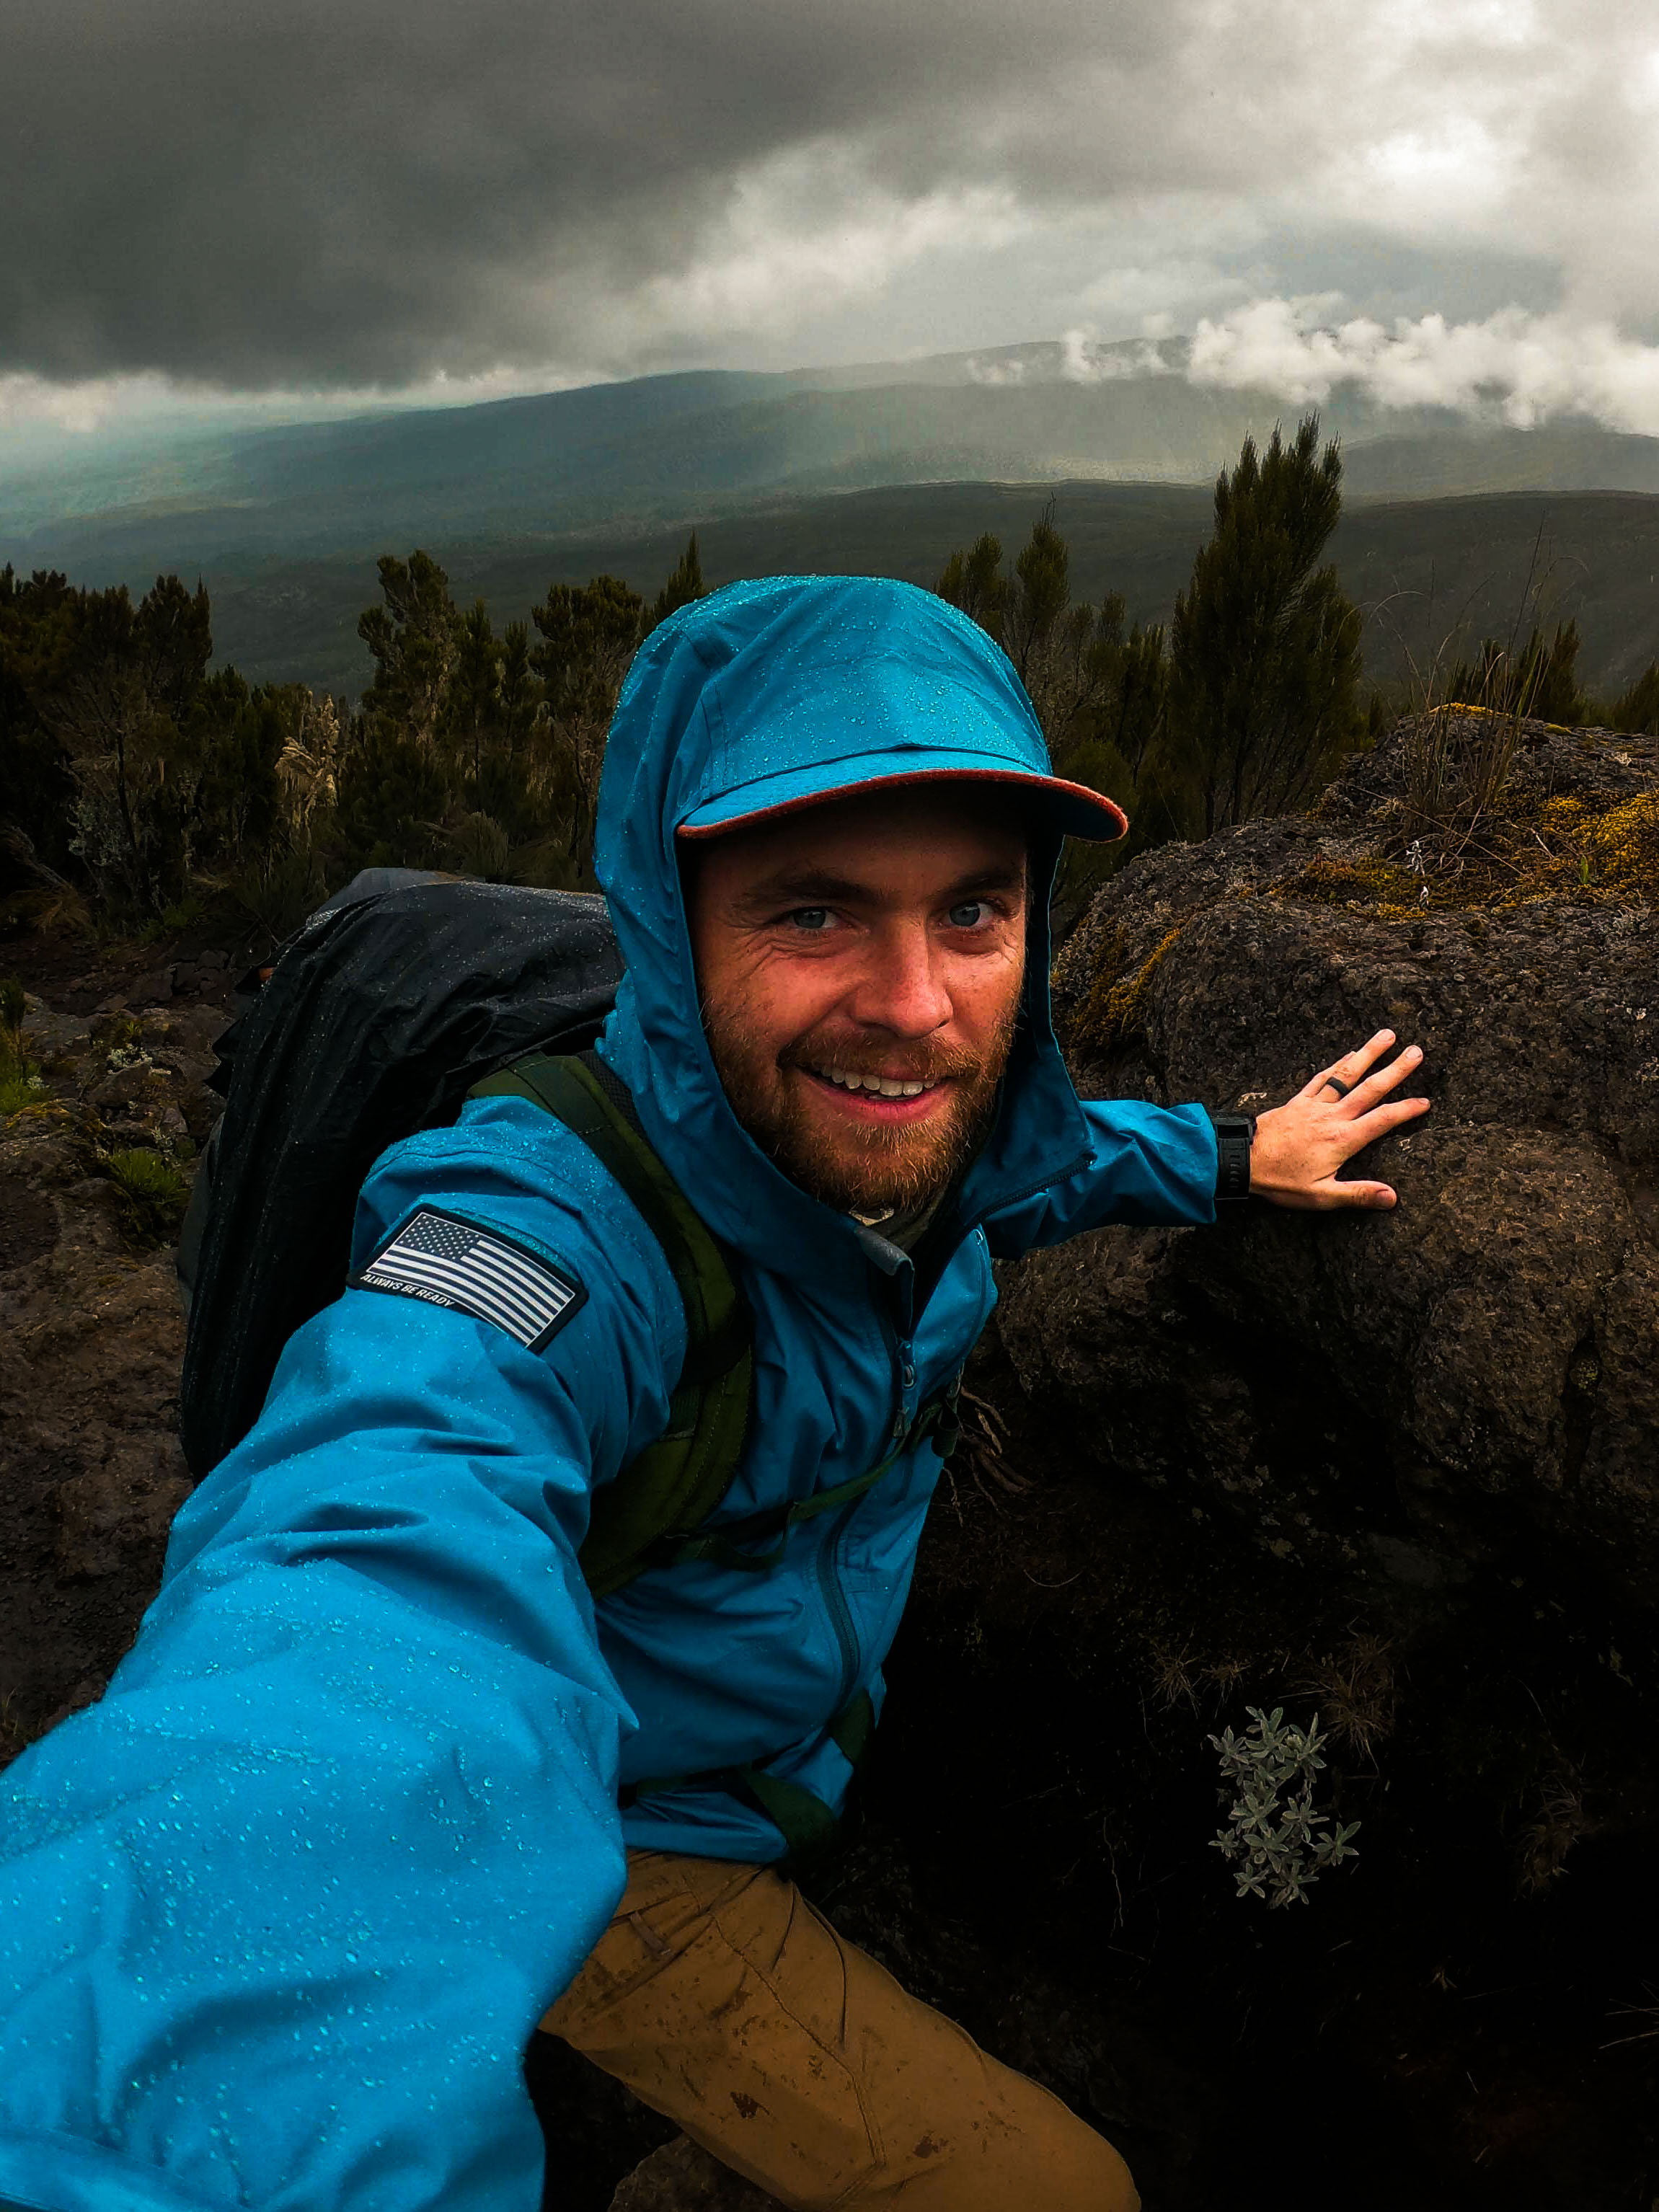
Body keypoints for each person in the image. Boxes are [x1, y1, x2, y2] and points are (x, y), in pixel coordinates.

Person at [0, 576, 1428, 2212]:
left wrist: (1237, 1154)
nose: (911, 1005)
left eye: (972, 911)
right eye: (811, 912)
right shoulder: (543, 1231)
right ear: (670, 936)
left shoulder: (896, 1140)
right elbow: (379, 1531)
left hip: (773, 1749)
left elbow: (1023, 1164)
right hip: (628, 1821)